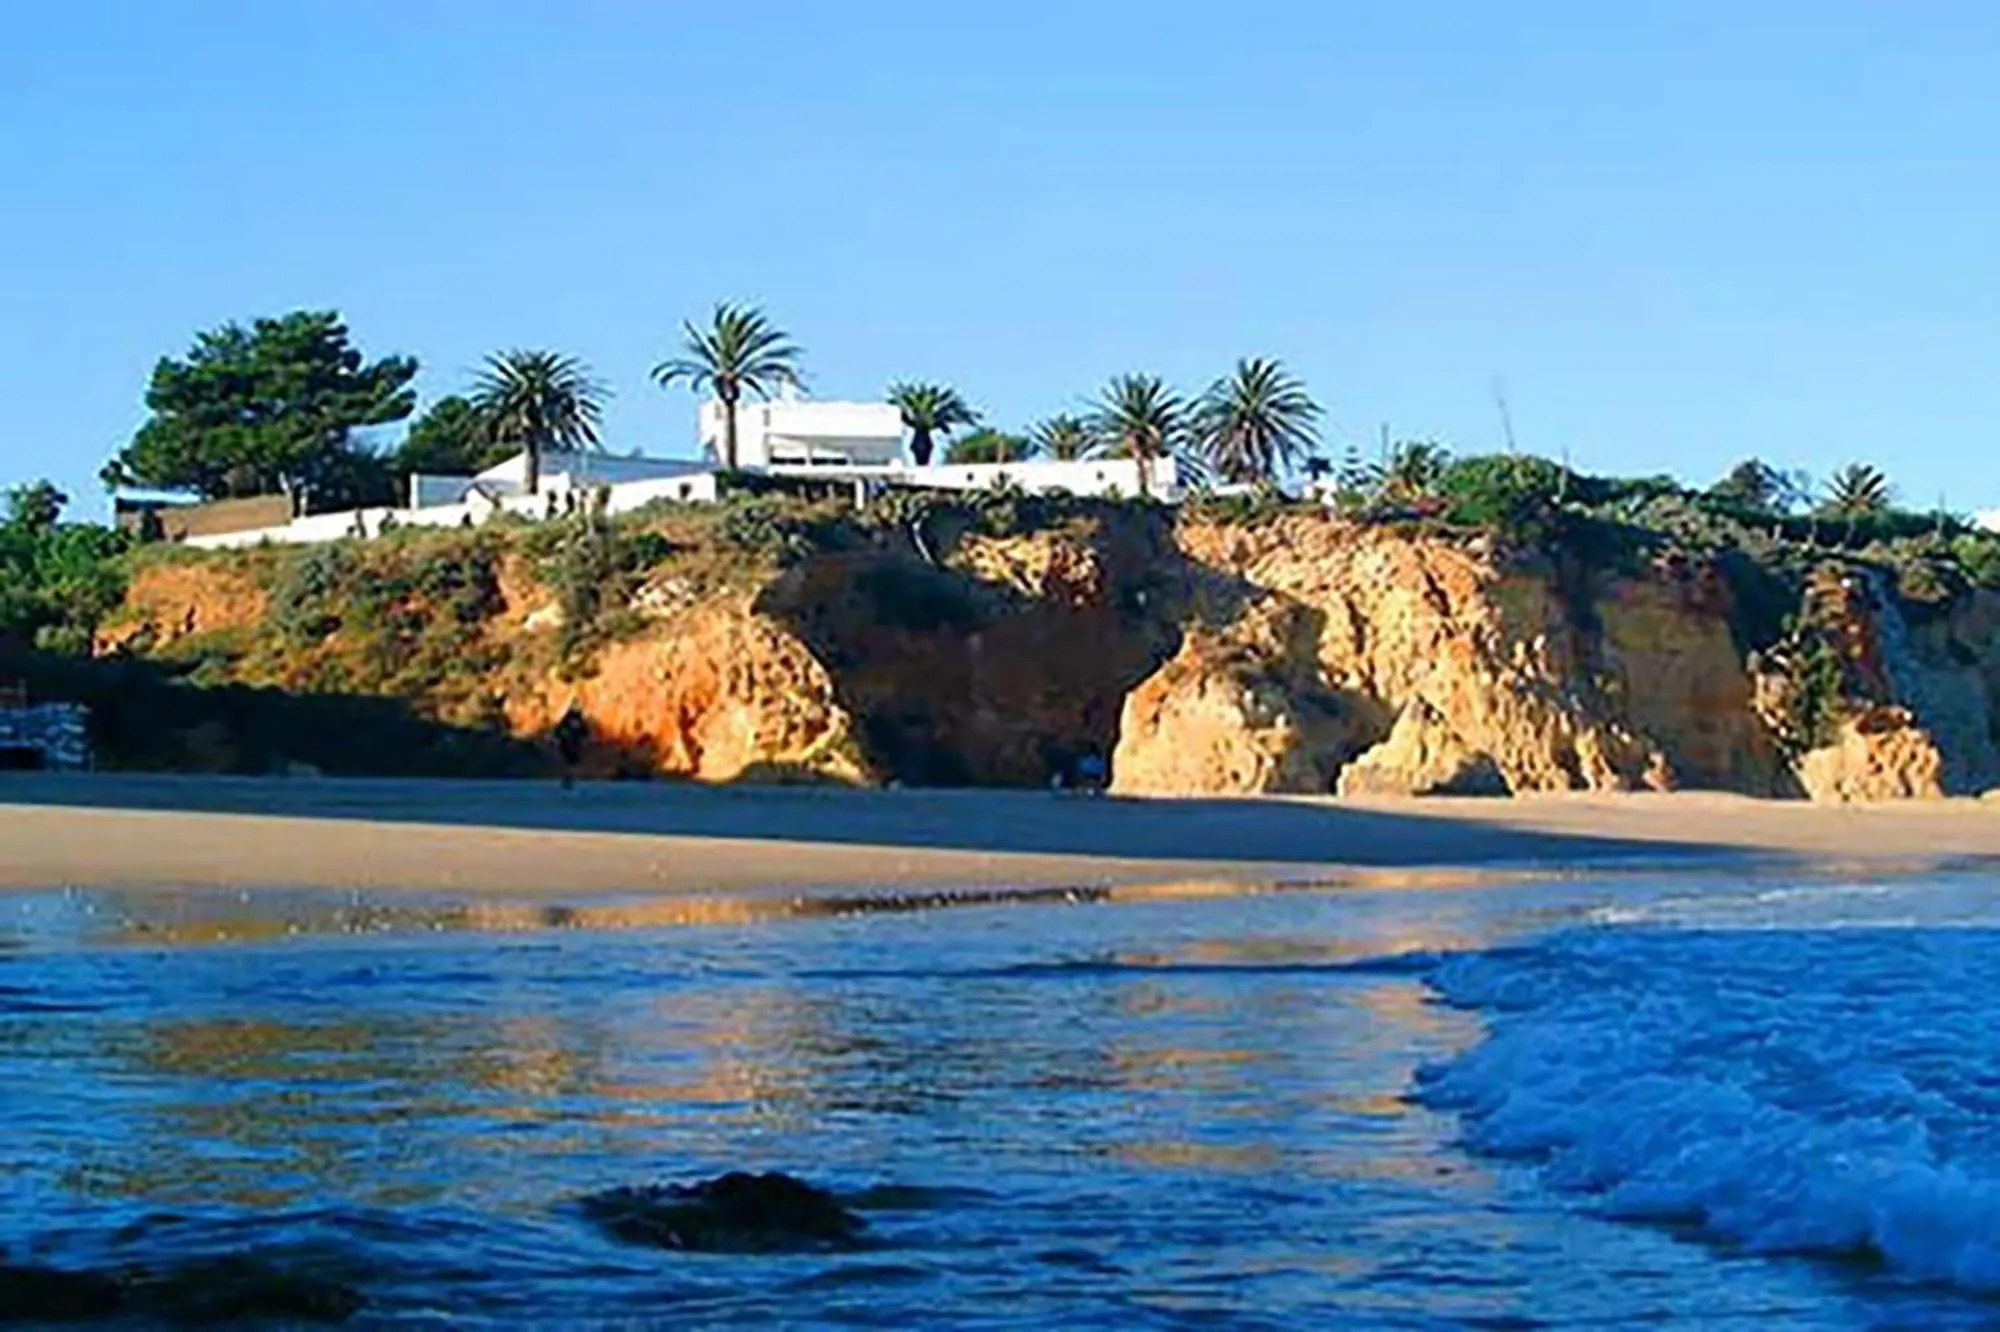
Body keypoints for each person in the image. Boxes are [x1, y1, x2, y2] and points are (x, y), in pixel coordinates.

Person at [553, 704, 589, 790]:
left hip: (573, 744)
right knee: (570, 761)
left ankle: (568, 778)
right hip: (568, 743)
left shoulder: (575, 720)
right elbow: (557, 730)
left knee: (572, 762)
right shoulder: (568, 720)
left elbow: (585, 732)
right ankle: (568, 778)